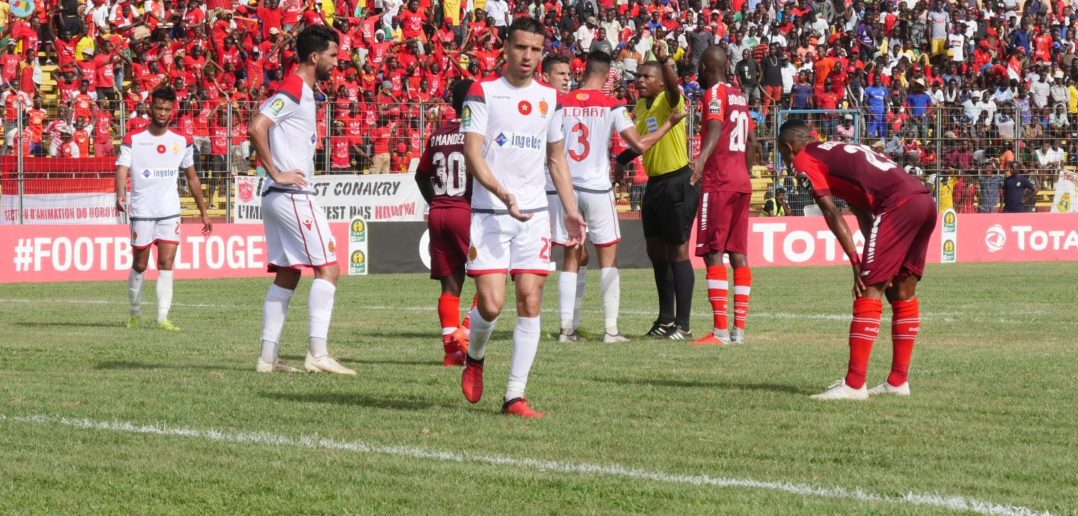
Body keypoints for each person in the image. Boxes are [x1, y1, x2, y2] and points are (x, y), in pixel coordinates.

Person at [459, 18, 585, 419]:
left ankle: (515, 396)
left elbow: (556, 159)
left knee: (530, 299)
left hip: (533, 215)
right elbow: (473, 152)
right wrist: (502, 193)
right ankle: (475, 356)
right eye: (520, 47)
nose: (527, 56)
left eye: (535, 49)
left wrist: (571, 210)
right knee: (492, 305)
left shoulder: (550, 98)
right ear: (506, 48)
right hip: (491, 212)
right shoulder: (483, 92)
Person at [778, 119, 936, 400]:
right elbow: (861, 210)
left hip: (898, 204)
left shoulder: (804, 159)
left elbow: (830, 212)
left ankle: (854, 385)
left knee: (868, 290)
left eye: (783, 154)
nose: (787, 161)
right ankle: (898, 381)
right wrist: (877, 257)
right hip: (923, 201)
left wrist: (856, 263)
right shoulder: (838, 149)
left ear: (789, 147)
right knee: (901, 292)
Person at [556, 50, 685, 344]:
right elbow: (639, 145)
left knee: (571, 258)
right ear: (607, 77)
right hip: (597, 189)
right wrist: (669, 124)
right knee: (608, 259)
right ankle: (611, 330)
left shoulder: (561, 103)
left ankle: (566, 330)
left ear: (584, 71)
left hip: (567, 189)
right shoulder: (611, 105)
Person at [248, 25, 355, 376]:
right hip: (291, 194)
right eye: (333, 56)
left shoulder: (305, 91)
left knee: (288, 274)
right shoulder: (294, 87)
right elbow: (256, 126)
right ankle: (318, 354)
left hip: (278, 196)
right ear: (314, 56)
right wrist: (277, 171)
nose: (336, 62)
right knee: (329, 269)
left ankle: (267, 359)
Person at [115, 86, 212, 331]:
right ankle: (135, 312)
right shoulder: (133, 139)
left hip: (170, 211)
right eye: (158, 108)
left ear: (172, 111)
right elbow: (122, 169)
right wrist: (121, 194)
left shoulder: (182, 141)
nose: (162, 113)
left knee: (166, 263)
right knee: (140, 264)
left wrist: (204, 212)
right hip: (142, 212)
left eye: (167, 109)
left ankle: (162, 317)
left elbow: (192, 177)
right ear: (150, 108)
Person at [632, 40, 696, 340]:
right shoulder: (640, 106)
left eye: (647, 76)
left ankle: (683, 324)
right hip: (655, 184)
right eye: (638, 76)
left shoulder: (670, 100)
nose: (640, 81)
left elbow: (673, 88)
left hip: (677, 181)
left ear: (660, 81)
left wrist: (664, 61)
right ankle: (665, 318)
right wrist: (620, 162)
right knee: (657, 252)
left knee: (678, 252)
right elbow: (641, 143)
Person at [690, 46, 754, 346]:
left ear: (704, 68)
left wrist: (701, 160)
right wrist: (746, 173)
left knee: (713, 251)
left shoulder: (715, 93)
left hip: (719, 181)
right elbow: (751, 140)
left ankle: (719, 331)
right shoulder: (739, 95)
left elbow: (715, 127)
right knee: (738, 254)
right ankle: (739, 331)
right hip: (741, 181)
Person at [415, 79, 475, 367]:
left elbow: (420, 175)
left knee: (450, 285)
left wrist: (435, 202)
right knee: (493, 276)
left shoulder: (438, 133)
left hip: (438, 212)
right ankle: (467, 330)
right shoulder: (476, 132)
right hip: (466, 210)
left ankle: (452, 354)